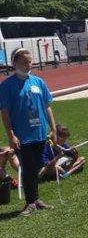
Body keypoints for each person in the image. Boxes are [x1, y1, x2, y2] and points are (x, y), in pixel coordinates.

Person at [0, 48, 57, 215]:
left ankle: (35, 199)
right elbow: (5, 112)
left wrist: (53, 128)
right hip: (22, 136)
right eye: (24, 62)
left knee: (35, 167)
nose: (28, 65)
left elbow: (47, 106)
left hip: (39, 133)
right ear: (15, 63)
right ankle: (30, 202)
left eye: (30, 61)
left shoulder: (38, 82)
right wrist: (11, 134)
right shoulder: (7, 86)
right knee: (27, 168)